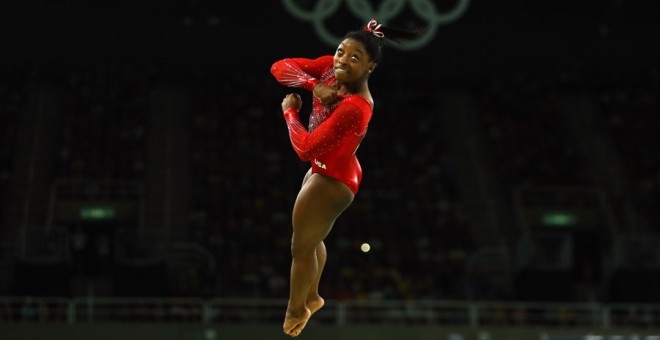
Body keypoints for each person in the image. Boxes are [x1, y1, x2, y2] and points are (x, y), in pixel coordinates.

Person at [270, 18, 423, 337]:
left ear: (370, 68)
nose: (342, 60)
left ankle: (296, 308)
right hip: (329, 168)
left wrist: (289, 112)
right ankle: (313, 296)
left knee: (300, 248)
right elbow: (279, 67)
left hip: (334, 179)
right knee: (313, 239)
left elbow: (305, 148)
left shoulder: (356, 107)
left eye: (355, 58)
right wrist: (314, 85)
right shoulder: (327, 69)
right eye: (341, 52)